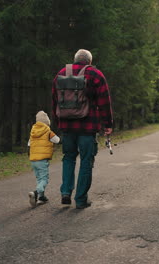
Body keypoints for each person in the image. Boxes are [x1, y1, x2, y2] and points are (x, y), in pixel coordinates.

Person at [52, 49, 113, 209]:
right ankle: (80, 199)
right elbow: (104, 102)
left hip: (67, 126)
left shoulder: (62, 73)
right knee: (86, 161)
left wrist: (59, 122)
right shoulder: (95, 74)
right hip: (88, 126)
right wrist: (108, 124)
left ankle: (66, 192)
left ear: (75, 60)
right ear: (89, 61)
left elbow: (55, 100)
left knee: (68, 158)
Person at [28, 111, 61, 208]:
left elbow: (29, 144)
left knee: (39, 178)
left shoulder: (32, 132)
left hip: (33, 160)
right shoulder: (48, 132)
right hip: (42, 160)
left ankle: (41, 197)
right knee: (44, 179)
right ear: (47, 123)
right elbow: (57, 140)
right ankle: (36, 193)